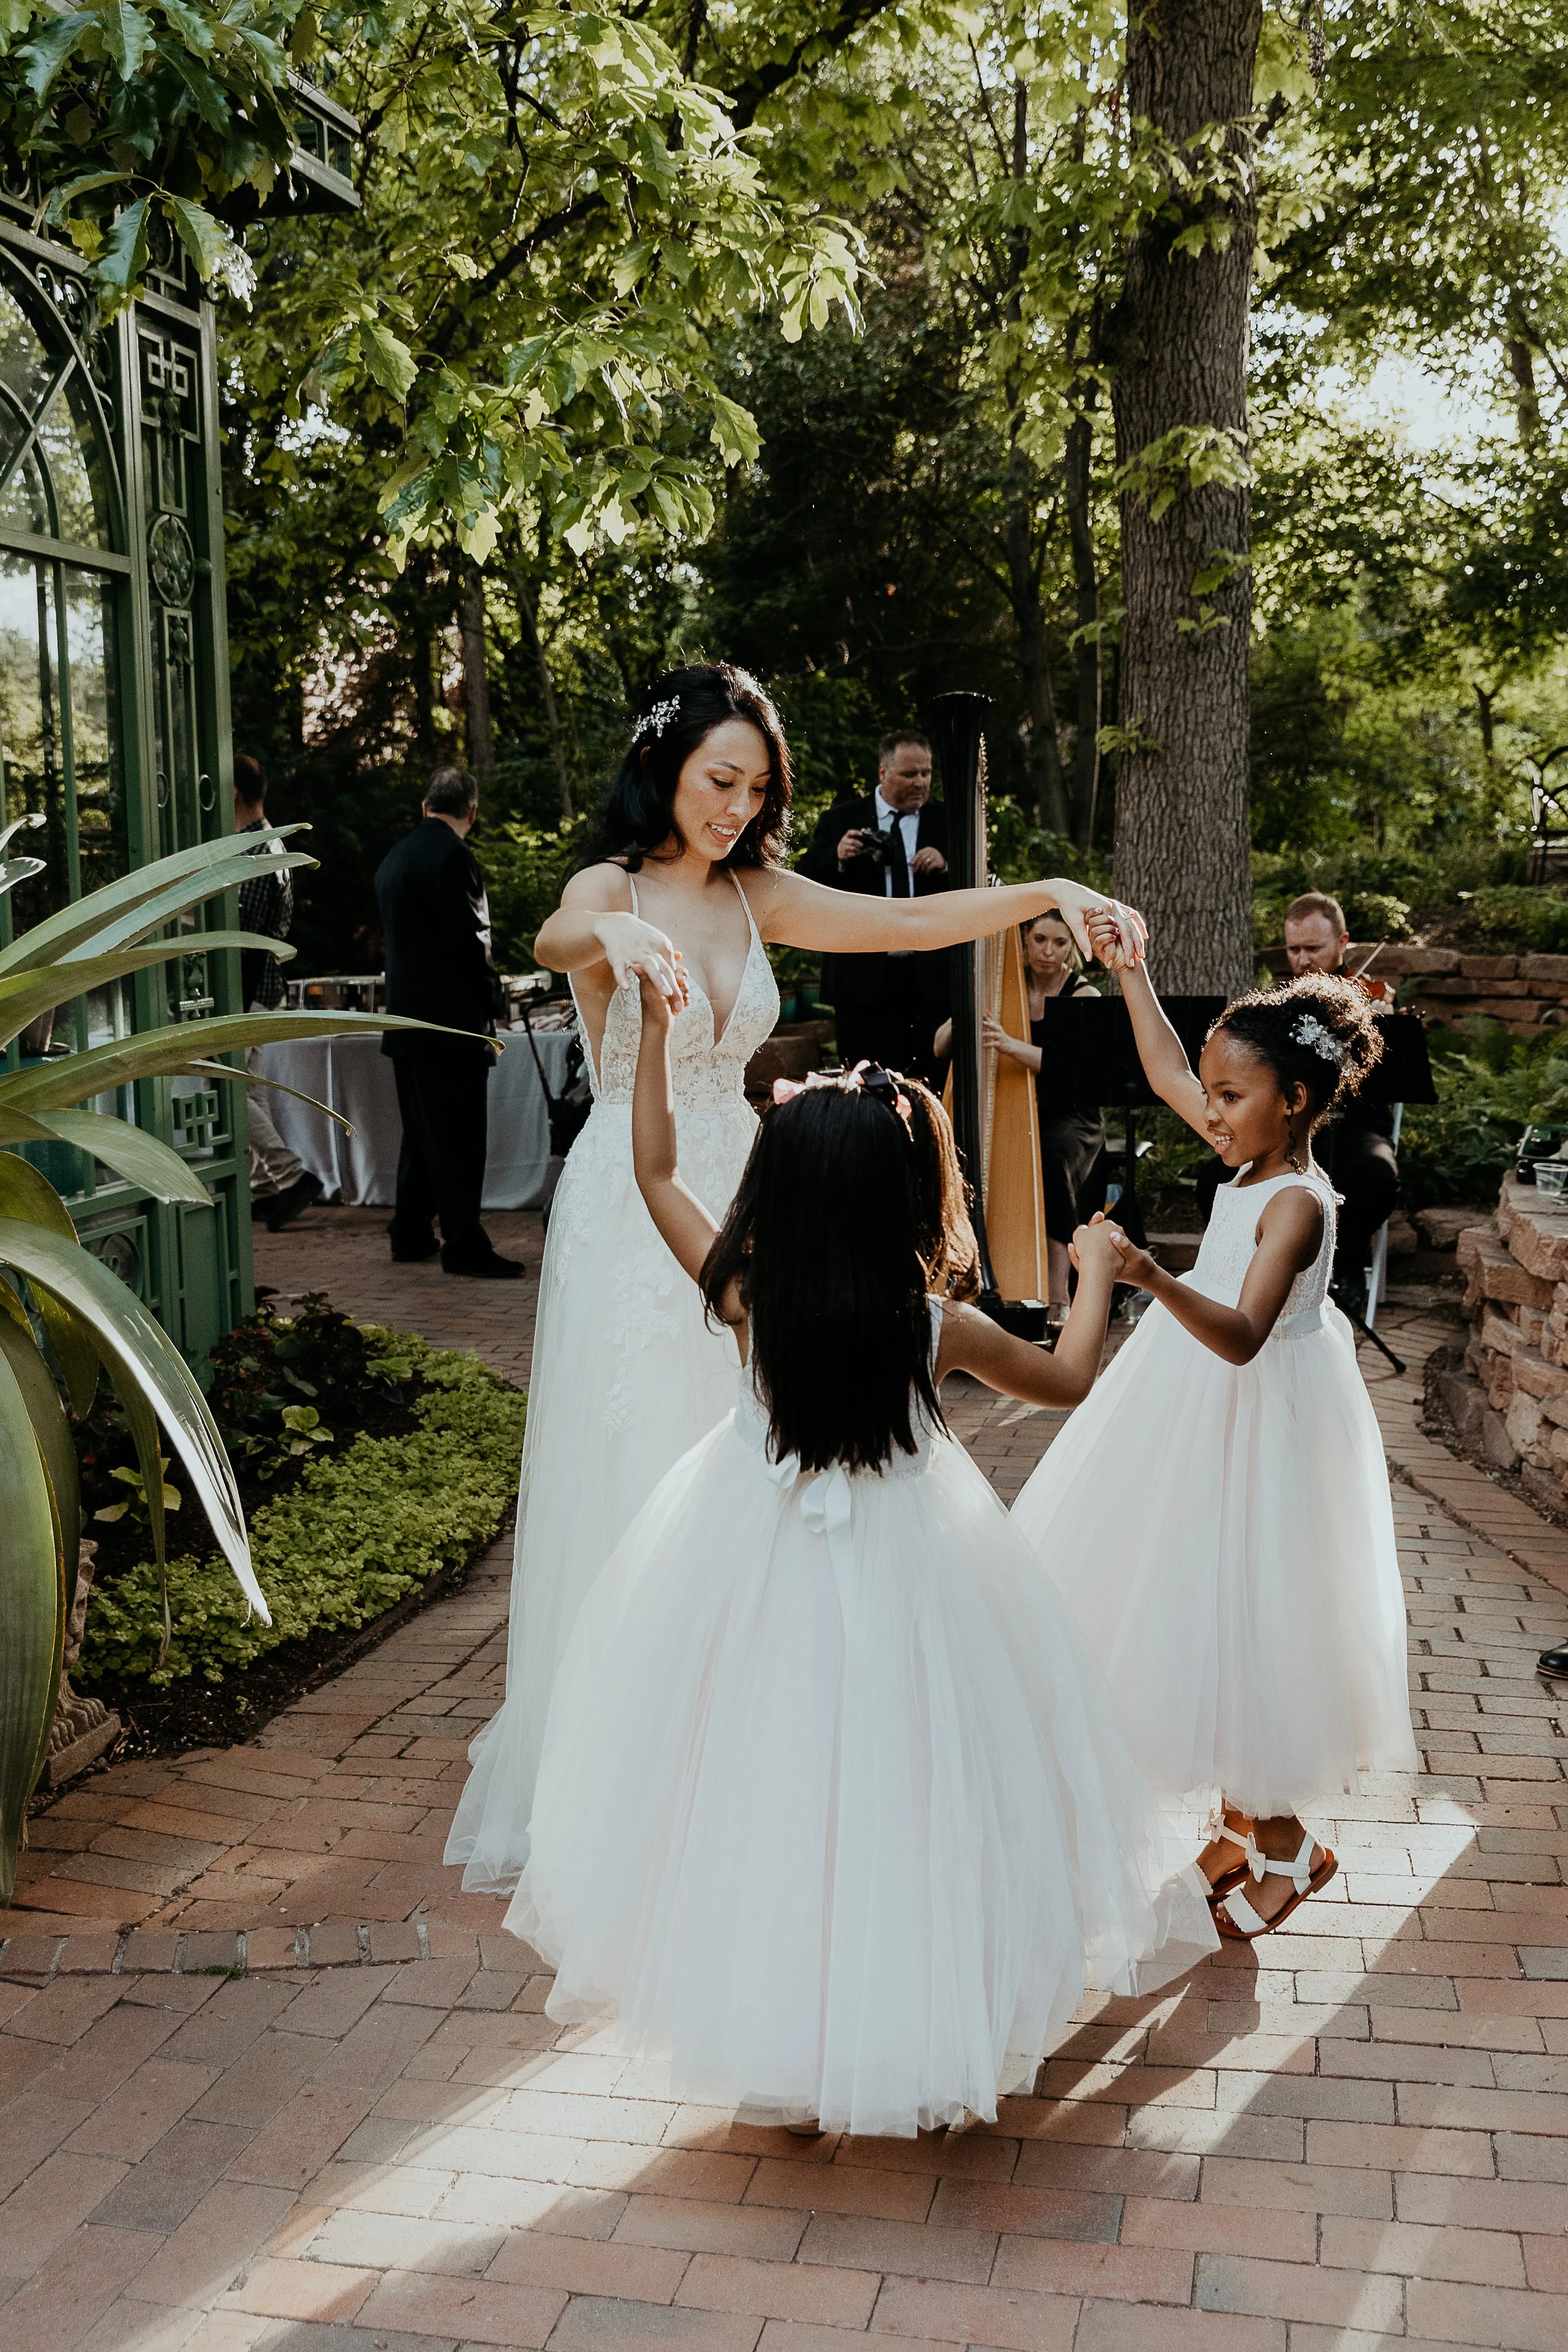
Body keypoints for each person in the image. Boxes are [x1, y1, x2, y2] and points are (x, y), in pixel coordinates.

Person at [443, 662, 1143, 1892]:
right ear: (663, 765)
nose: (734, 806)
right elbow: (557, 934)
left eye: (755, 787)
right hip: (639, 1193)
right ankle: (625, 1766)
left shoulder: (754, 888)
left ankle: (750, 1747)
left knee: (754, 1464)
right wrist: (609, 933)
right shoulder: (606, 886)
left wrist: (1044, 889)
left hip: (752, 1185)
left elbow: (905, 922)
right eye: (720, 780)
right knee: (646, 1455)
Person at [504, 974, 1217, 2135]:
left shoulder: (746, 1293)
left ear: (779, 1191)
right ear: (905, 1197)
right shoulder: (940, 1328)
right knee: (922, 1792)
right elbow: (1073, 1382)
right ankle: (915, 2030)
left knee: (767, 1791)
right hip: (913, 1559)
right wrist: (1094, 1279)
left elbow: (652, 1174)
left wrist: (647, 1047)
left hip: (749, 1554)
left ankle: (782, 2057)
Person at [1010, 950, 1419, 1939]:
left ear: (1298, 1100)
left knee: (1247, 1625)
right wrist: (1134, 971)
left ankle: (1288, 1844)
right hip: (1193, 1408)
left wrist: (1146, 1271)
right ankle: (1236, 1825)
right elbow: (1162, 1069)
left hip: (1262, 1418)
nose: (1213, 1108)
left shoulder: (1297, 1202)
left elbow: (1241, 1336)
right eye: (1216, 1088)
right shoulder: (1250, 1155)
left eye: (1232, 1093)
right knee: (1194, 1608)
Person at [1210, 891, 1397, 1315]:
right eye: (1294, 949)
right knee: (1213, 1175)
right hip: (1287, 1126)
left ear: (1342, 943)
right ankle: (1255, 1271)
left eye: (1313, 948)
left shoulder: (1373, 997)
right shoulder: (1279, 1005)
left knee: (1374, 1175)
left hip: (1356, 1124)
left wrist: (1385, 1024)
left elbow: (1386, 1082)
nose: (1303, 960)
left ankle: (1344, 1262)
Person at [374, 765, 520, 1280]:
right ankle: (464, 1244)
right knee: (457, 1137)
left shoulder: (395, 859)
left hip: (405, 1022)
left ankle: (410, 1231)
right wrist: (492, 1004)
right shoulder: (454, 857)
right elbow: (472, 942)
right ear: (472, 813)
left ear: (425, 806)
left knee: (421, 1134)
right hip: (451, 1027)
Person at [965, 909, 1106, 1318]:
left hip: (1072, 1115)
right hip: (1014, 1105)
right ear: (1025, 938)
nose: (1049, 951)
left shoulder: (1083, 994)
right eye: (1040, 939)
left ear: (1073, 947)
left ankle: (1059, 1294)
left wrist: (1009, 1045)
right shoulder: (1004, 984)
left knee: (1052, 1153)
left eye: (1060, 943)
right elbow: (941, 1045)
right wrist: (969, 1008)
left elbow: (1076, 1068)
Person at [798, 729, 950, 1086]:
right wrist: (836, 857)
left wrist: (947, 865)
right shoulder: (841, 820)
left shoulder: (947, 822)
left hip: (930, 978)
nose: (921, 783)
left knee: (932, 1085)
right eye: (910, 774)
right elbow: (802, 883)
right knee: (866, 1087)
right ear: (883, 773)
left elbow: (983, 881)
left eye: (927, 773)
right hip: (862, 979)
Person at [233, 755, 322, 1234]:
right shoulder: (272, 843)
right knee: (250, 1086)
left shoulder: (254, 852)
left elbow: (237, 930)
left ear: (232, 794)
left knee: (226, 1085)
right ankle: (264, 1187)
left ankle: (291, 1176)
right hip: (262, 983)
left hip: (246, 985)